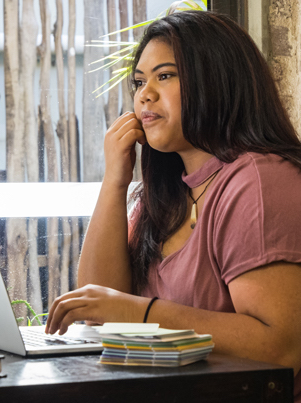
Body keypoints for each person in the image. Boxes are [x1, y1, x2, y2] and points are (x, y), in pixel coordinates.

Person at [45, 10, 301, 401]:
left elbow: (281, 348)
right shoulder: (166, 194)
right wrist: (115, 180)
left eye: (165, 76)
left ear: (217, 81)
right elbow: (101, 308)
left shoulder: (260, 180)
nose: (144, 94)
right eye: (139, 81)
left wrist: (142, 313)